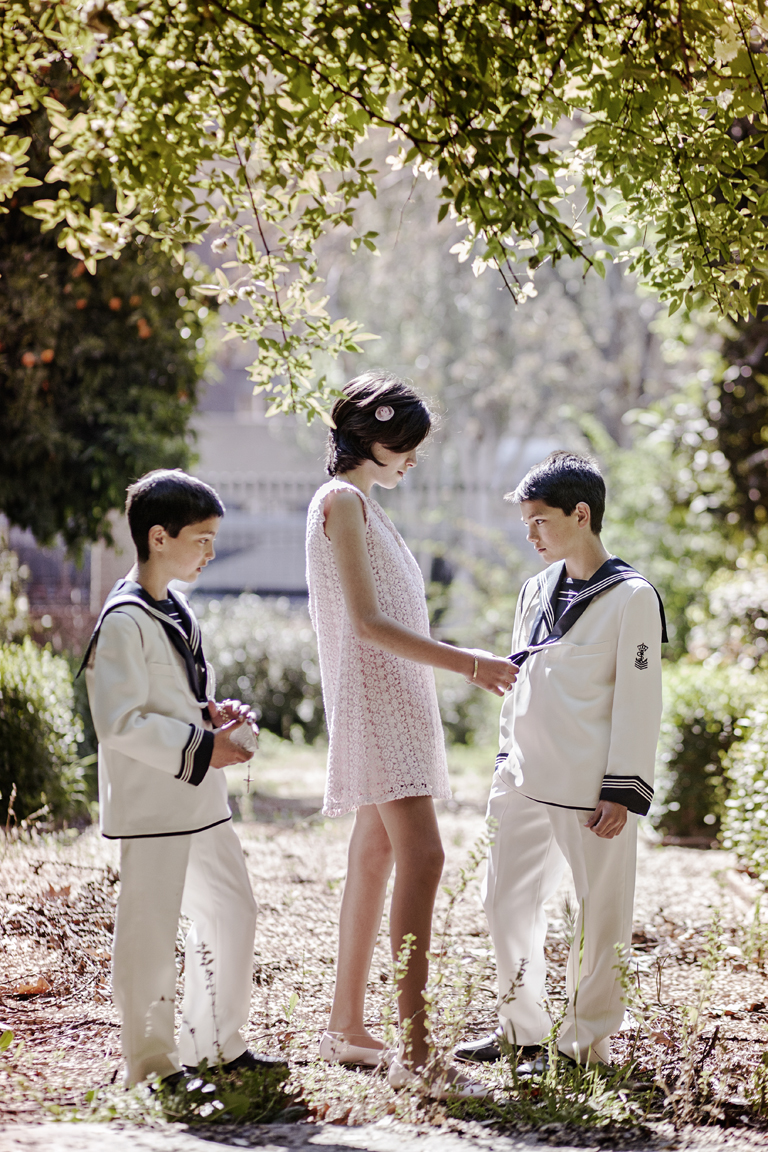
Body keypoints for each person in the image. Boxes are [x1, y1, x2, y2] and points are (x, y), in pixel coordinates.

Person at [305, 371, 517, 1099]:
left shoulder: (361, 504)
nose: (414, 462)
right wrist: (470, 663)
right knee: (423, 854)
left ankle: (347, 1026)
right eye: (411, 449)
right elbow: (366, 621)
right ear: (382, 439)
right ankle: (419, 1052)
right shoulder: (341, 502)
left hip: (393, 697)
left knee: (375, 855)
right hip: (377, 701)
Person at [455, 451, 665, 1070]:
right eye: (525, 521)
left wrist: (623, 790)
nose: (530, 534)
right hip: (520, 779)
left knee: (600, 917)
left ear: (581, 514)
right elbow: (520, 679)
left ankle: (582, 1045)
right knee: (503, 903)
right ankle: (520, 1031)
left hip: (591, 790)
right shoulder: (534, 590)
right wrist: (502, 760)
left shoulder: (632, 598)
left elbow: (639, 701)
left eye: (539, 520)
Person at [82, 469, 285, 1087]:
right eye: (201, 538)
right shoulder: (122, 620)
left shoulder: (175, 609)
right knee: (150, 929)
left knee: (233, 910)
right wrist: (204, 745)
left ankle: (217, 1043)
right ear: (159, 536)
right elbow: (120, 722)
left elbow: (174, 697)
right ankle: (151, 1064)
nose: (210, 551)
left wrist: (213, 714)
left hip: (199, 798)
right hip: (154, 804)